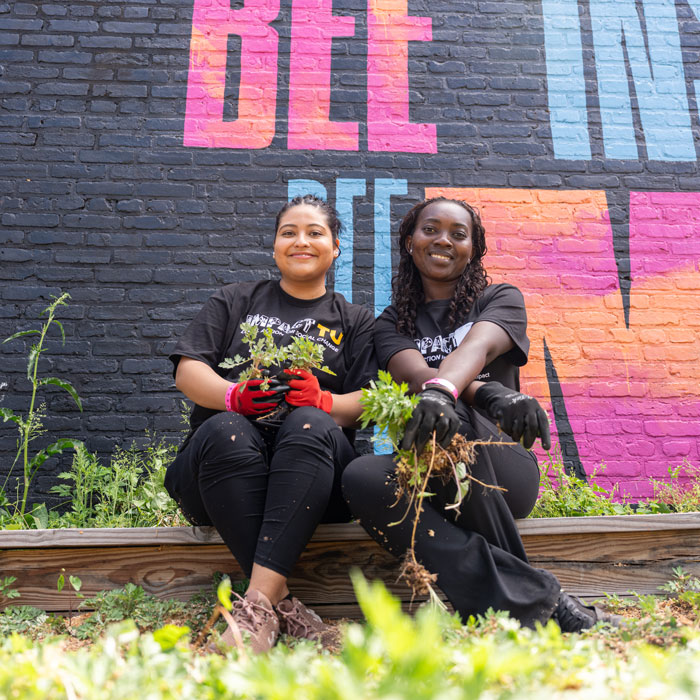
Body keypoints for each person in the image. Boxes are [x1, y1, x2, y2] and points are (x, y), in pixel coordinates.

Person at [342, 196, 618, 632]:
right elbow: (417, 376)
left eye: (458, 233)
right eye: (430, 229)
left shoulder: (500, 298)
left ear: (474, 248)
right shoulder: (392, 323)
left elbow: (478, 347)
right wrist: (484, 392)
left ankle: (538, 612)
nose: (443, 240)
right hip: (428, 469)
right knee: (361, 477)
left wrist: (457, 396)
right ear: (409, 242)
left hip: (501, 467)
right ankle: (537, 600)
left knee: (453, 419)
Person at [165, 195, 377, 653]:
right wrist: (232, 395)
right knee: (226, 428)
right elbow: (187, 369)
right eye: (289, 232)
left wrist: (326, 401)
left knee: (310, 422)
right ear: (275, 246)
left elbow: (372, 400)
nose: (301, 241)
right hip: (216, 479)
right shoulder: (235, 300)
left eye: (315, 232)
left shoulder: (356, 321)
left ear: (336, 247)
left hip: (316, 485)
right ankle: (282, 606)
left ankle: (256, 609)